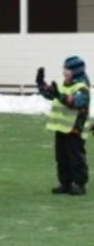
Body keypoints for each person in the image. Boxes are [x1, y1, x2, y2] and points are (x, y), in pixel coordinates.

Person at [37, 56, 89, 195]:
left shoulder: (82, 87)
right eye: (64, 68)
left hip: (75, 129)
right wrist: (41, 83)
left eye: (68, 69)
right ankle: (65, 183)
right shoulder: (63, 85)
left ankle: (79, 184)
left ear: (76, 71)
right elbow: (51, 93)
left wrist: (59, 95)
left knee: (75, 157)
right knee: (61, 157)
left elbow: (75, 102)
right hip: (61, 129)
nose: (64, 71)